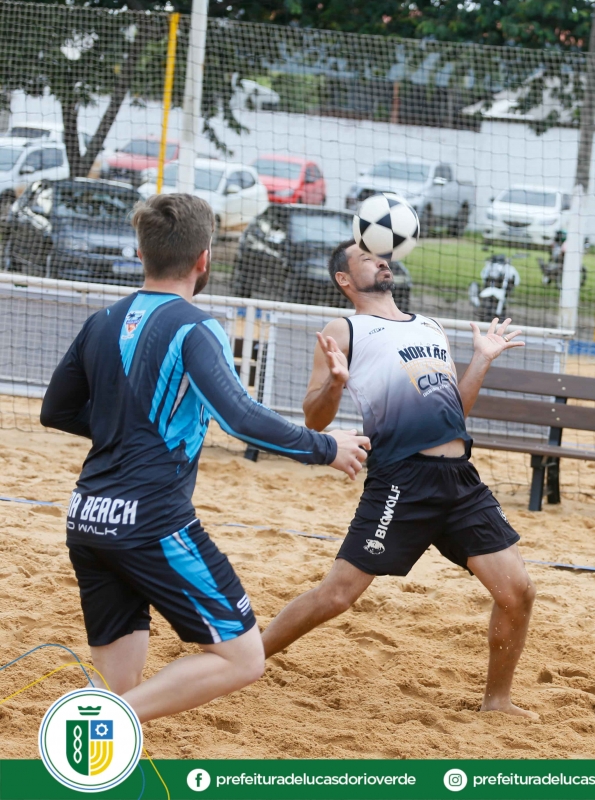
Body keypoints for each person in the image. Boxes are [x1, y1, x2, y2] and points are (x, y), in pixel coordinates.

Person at [38, 194, 370, 723]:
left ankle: (90, 740)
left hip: (88, 518)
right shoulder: (195, 326)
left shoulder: (101, 320)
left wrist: (127, 430)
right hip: (151, 522)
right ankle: (97, 723)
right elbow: (239, 417)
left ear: (142, 254)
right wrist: (327, 447)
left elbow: (55, 410)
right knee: (243, 658)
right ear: (203, 258)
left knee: (120, 686)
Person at [260, 240, 537, 719]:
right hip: (401, 480)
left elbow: (455, 413)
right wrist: (336, 383)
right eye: (366, 257)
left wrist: (482, 359)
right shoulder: (344, 329)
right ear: (344, 279)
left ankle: (497, 702)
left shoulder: (430, 326)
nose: (381, 259)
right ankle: (246, 659)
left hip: (459, 479)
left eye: (381, 255)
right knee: (337, 596)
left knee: (518, 592)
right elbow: (314, 419)